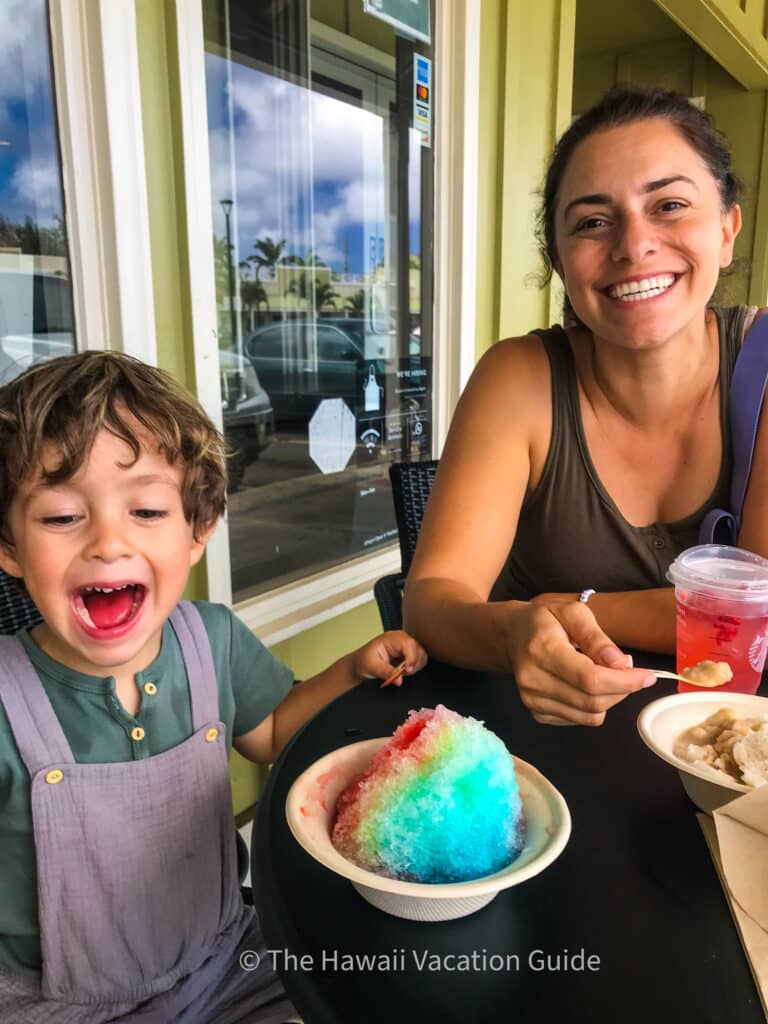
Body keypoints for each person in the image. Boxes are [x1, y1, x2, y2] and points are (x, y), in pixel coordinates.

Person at [0, 350, 426, 1022]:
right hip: (59, 1003)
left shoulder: (212, 640)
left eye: (145, 510)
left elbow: (275, 733)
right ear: (10, 547)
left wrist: (350, 670)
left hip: (226, 964)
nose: (108, 542)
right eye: (60, 517)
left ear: (197, 532)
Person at [404, 85, 768, 728]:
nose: (633, 245)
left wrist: (565, 605)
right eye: (594, 222)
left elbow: (756, 608)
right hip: (546, 757)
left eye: (670, 205)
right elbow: (432, 602)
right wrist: (515, 633)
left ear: (726, 230)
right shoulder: (519, 378)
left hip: (735, 749)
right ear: (559, 262)